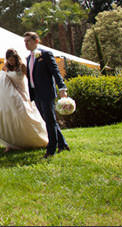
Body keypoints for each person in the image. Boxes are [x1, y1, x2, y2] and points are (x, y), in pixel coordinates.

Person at [0, 49, 48, 152]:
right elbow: (0, 81)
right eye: (9, 60)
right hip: (10, 96)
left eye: (12, 59)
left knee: (25, 116)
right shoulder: (6, 67)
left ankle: (36, 140)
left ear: (16, 58)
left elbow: (30, 78)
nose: (11, 62)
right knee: (10, 119)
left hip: (22, 94)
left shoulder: (22, 67)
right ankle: (10, 144)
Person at [24, 31, 70, 159]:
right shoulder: (28, 58)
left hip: (47, 93)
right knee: (48, 120)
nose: (26, 44)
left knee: (49, 121)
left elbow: (56, 72)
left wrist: (62, 87)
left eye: (28, 41)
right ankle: (63, 144)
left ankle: (51, 150)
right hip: (36, 94)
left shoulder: (46, 54)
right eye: (25, 41)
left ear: (36, 41)